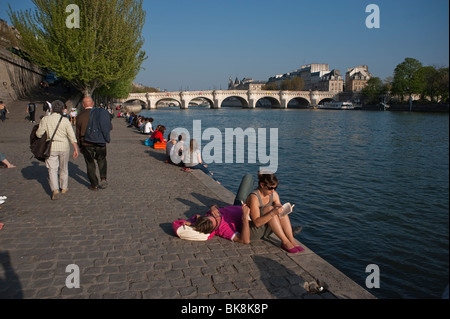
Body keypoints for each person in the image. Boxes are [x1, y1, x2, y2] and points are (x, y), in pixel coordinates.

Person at [246, 171, 304, 253]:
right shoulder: (254, 197)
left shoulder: (274, 194)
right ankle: (285, 242)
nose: (273, 191)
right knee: (269, 209)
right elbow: (256, 223)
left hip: (267, 229)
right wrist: (273, 212)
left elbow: (280, 212)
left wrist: (281, 209)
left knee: (281, 210)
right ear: (262, 185)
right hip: (253, 231)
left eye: (275, 188)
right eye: (270, 188)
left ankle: (291, 240)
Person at [36, 100, 79, 200]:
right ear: (62, 109)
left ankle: (55, 189)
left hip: (51, 147)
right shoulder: (65, 120)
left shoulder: (45, 119)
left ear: (52, 108)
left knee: (52, 169)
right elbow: (72, 136)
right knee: (64, 167)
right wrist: (75, 148)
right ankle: (64, 187)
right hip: (64, 146)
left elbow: (39, 134)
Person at [76, 97, 112, 191]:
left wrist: (79, 145)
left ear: (83, 105)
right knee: (102, 159)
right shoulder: (100, 113)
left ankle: (94, 184)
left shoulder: (80, 116)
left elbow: (78, 133)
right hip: (100, 141)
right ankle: (103, 177)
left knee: (90, 163)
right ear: (92, 103)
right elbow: (108, 126)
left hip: (86, 142)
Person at [173, 204, 251, 244]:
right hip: (249, 212)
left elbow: (195, 219)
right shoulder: (225, 230)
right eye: (216, 220)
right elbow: (245, 240)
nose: (217, 216)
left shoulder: (209, 215)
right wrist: (245, 216)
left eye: (213, 215)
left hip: (238, 204)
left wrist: (213, 207)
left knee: (248, 178)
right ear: (213, 229)